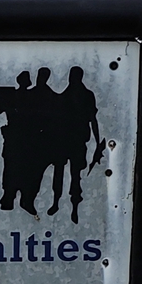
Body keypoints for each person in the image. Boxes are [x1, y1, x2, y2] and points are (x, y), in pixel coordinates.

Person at [0, 70, 56, 214]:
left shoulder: (25, 95)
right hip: (19, 138)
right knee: (15, 167)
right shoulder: (24, 96)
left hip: (25, 139)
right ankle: (11, 197)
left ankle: (18, 197)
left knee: (19, 168)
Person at [41, 66, 103, 222]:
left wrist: (97, 142)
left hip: (77, 140)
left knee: (74, 174)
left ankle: (73, 207)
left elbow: (93, 120)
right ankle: (57, 202)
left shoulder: (85, 96)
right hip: (66, 140)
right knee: (63, 172)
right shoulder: (67, 96)